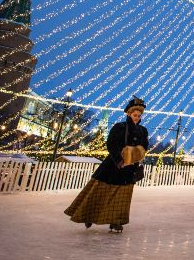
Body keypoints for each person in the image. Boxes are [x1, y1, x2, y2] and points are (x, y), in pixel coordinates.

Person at [64, 97, 150, 232]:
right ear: (129, 114)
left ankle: (115, 221)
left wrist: (136, 154)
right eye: (135, 115)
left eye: (139, 116)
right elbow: (111, 144)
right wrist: (119, 159)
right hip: (112, 167)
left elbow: (144, 146)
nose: (137, 118)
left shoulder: (143, 130)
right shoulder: (119, 127)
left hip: (129, 170)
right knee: (99, 193)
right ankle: (88, 215)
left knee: (121, 197)